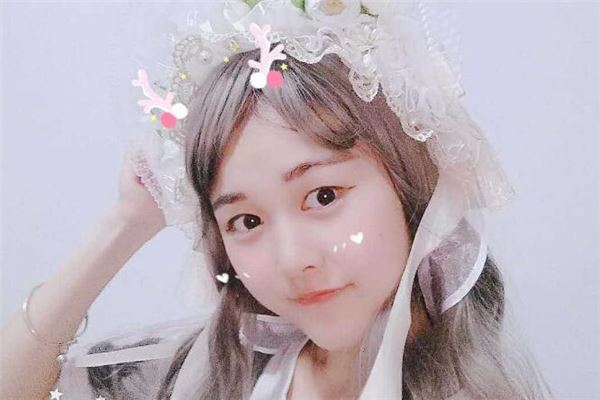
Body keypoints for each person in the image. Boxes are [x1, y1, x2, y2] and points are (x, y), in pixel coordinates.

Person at [1, 1, 554, 399]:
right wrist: (125, 223)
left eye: (323, 195)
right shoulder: (217, 373)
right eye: (245, 220)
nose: (292, 260)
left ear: (406, 181)